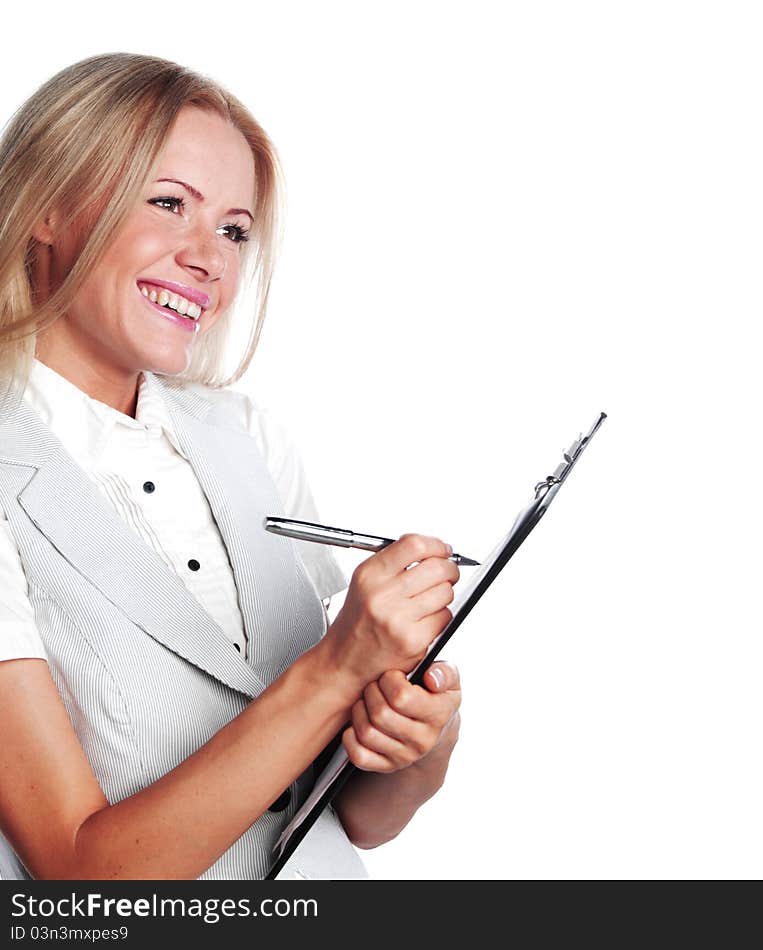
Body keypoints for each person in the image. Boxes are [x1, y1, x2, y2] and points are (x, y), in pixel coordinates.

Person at [0, 53, 462, 880]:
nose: (208, 257)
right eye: (169, 203)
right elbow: (81, 874)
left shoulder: (249, 438)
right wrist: (335, 669)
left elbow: (348, 817)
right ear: (50, 205)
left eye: (234, 229)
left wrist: (414, 748)